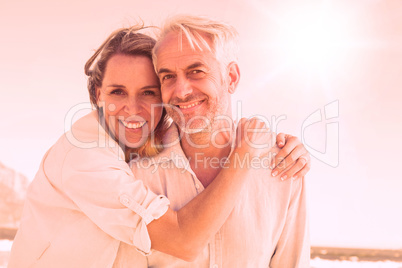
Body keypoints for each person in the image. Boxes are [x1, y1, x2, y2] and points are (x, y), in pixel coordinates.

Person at [8, 25, 310, 267]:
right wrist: (243, 154)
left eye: (149, 92)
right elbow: (182, 239)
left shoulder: (279, 171)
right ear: (98, 94)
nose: (133, 109)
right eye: (117, 92)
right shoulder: (94, 159)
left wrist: (284, 147)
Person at [115, 15, 311, 267]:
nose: (182, 91)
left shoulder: (283, 166)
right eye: (168, 77)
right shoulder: (137, 172)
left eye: (196, 71)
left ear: (231, 77)